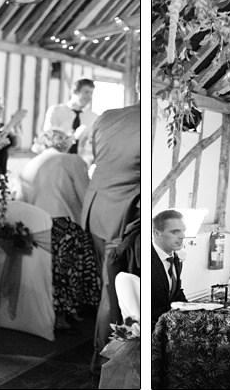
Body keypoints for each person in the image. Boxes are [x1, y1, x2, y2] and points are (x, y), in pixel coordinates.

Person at [16, 129, 97, 331]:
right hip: (63, 224)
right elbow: (85, 195)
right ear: (66, 143)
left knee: (47, 269)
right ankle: (65, 313)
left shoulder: (29, 164)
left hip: (35, 228)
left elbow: (20, 200)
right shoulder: (72, 160)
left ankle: (47, 312)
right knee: (72, 262)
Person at [83, 103, 140, 371]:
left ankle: (105, 360)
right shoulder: (147, 119)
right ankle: (106, 364)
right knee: (115, 293)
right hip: (122, 215)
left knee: (108, 288)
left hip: (96, 209)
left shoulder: (108, 115)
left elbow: (98, 159)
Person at [149, 209, 187, 324]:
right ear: (157, 233)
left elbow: (176, 293)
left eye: (183, 231)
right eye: (175, 232)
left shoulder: (175, 257)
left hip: (170, 324)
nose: (182, 236)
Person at [42, 79, 96, 155]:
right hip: (55, 159)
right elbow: (49, 138)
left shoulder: (93, 117)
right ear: (75, 92)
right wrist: (72, 137)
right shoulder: (55, 111)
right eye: (86, 92)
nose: (89, 97)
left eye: (91, 93)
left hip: (78, 162)